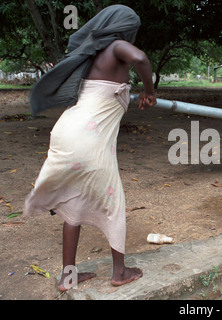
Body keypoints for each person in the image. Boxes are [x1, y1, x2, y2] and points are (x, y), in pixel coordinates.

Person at [23, 5, 156, 291]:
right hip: (88, 140)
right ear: (124, 29)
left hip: (65, 131)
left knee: (74, 205)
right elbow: (141, 57)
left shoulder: (90, 52)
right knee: (114, 202)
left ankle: (67, 278)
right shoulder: (117, 46)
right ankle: (119, 272)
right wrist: (149, 91)